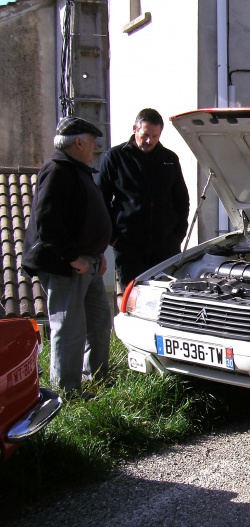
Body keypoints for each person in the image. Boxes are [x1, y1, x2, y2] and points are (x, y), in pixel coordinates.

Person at [22, 116, 112, 398]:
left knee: (98, 324)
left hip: (90, 263)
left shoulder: (79, 170)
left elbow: (82, 217)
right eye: (92, 141)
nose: (95, 147)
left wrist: (97, 252)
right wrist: (74, 257)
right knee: (70, 329)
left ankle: (95, 380)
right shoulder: (58, 170)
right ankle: (66, 393)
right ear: (79, 141)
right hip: (68, 267)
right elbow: (47, 222)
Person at [98, 108, 190, 289]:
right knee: (133, 297)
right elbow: (101, 200)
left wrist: (178, 235)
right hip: (129, 247)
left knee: (168, 297)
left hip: (166, 247)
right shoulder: (115, 157)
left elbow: (181, 199)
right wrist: (114, 238)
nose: (150, 141)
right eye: (146, 135)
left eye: (155, 136)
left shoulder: (169, 159)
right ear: (135, 129)